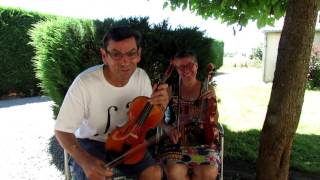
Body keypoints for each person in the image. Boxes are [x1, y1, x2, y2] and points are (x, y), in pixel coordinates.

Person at [54, 25, 169, 180]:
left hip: (129, 141)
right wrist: (86, 161)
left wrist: (161, 105)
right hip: (91, 142)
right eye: (116, 54)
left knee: (154, 173)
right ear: (104, 55)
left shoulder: (141, 77)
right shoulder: (84, 83)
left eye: (131, 53)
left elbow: (150, 119)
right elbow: (62, 130)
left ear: (139, 54)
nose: (125, 61)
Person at [159, 51, 220, 180]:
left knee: (208, 172)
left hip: (203, 141)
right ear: (176, 69)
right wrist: (168, 129)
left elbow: (215, 119)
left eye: (189, 65)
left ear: (196, 66)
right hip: (176, 141)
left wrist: (212, 102)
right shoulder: (171, 89)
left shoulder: (207, 88)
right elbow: (156, 118)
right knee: (175, 171)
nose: (185, 70)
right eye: (180, 67)